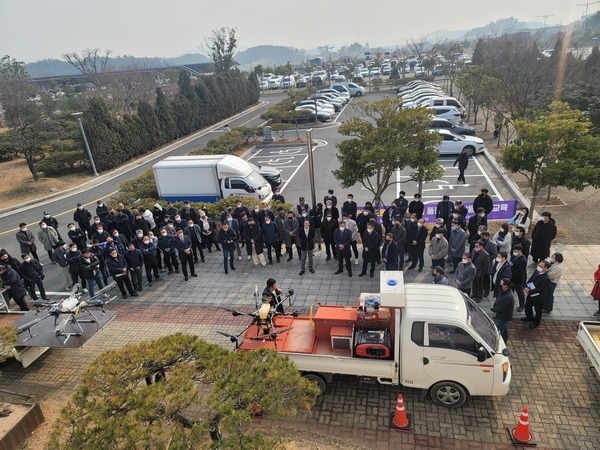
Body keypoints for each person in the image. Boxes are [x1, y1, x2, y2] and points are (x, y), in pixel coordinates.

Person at [522, 260, 551, 329]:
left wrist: (530, 291)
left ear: (546, 268)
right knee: (527, 306)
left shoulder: (546, 278)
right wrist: (526, 286)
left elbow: (540, 289)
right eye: (539, 265)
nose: (538, 267)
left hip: (538, 297)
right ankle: (529, 317)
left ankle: (536, 322)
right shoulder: (536, 271)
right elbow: (531, 279)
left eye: (541, 266)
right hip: (531, 294)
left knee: (538, 310)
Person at [491, 278, 514, 342]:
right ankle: (504, 339)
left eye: (502, 284)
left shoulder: (507, 297)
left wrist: (493, 309)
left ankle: (498, 342)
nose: (500, 285)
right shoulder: (505, 292)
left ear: (506, 285)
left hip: (503, 316)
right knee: (504, 328)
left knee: (499, 330)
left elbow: (501, 308)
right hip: (503, 315)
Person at [510, 244, 528, 312]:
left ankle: (522, 305)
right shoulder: (514, 256)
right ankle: (510, 304)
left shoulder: (523, 260)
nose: (514, 252)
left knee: (520, 292)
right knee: (511, 291)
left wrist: (511, 272)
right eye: (513, 250)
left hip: (518, 279)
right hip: (511, 278)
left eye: (515, 251)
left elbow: (519, 271)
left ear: (520, 251)